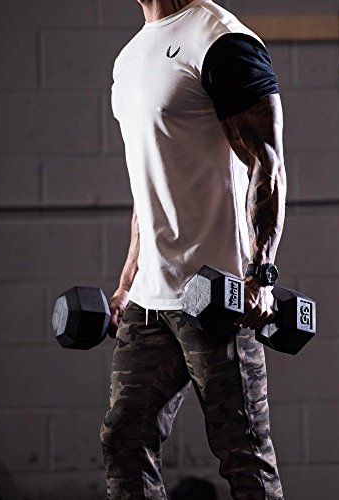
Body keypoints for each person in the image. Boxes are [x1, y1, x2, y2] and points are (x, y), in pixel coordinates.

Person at [100, 0, 286, 498]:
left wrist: (261, 275)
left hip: (217, 294)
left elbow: (267, 163)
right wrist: (126, 283)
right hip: (149, 300)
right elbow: (149, 183)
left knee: (243, 456)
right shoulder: (129, 58)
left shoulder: (220, 40)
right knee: (123, 441)